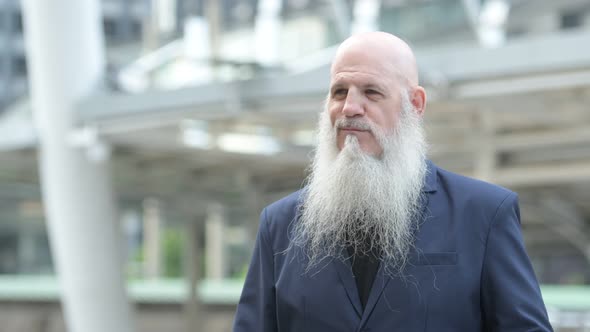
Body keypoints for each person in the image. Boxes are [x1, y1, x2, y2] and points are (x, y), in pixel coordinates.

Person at [233, 31, 553, 332]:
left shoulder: (485, 214)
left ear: (415, 104)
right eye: (339, 92)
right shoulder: (279, 225)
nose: (350, 108)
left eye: (372, 92)